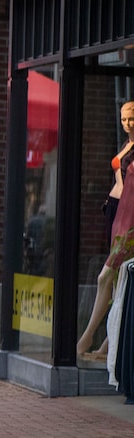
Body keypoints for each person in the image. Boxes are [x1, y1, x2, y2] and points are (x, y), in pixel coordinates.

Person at [79, 102, 134, 357]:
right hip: (115, 212)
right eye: (124, 119)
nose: (127, 124)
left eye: (131, 119)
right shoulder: (126, 144)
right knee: (113, 282)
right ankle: (106, 343)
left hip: (128, 217)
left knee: (109, 277)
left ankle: (89, 338)